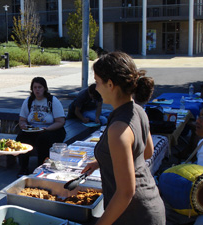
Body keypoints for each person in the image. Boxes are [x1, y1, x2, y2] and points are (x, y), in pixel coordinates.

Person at [82, 51, 166, 225]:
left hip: (136, 215)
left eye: (97, 82)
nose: (96, 88)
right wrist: (103, 161)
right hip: (151, 205)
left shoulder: (118, 129)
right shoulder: (138, 110)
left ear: (110, 84)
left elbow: (125, 192)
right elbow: (147, 152)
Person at [16, 77, 66, 177]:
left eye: (40, 87)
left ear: (45, 88)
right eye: (35, 87)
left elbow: (60, 121)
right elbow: (22, 119)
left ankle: (41, 167)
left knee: (43, 140)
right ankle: (23, 167)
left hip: (52, 129)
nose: (37, 90)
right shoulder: (29, 101)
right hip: (33, 129)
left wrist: (47, 129)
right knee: (21, 138)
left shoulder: (52, 101)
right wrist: (23, 125)